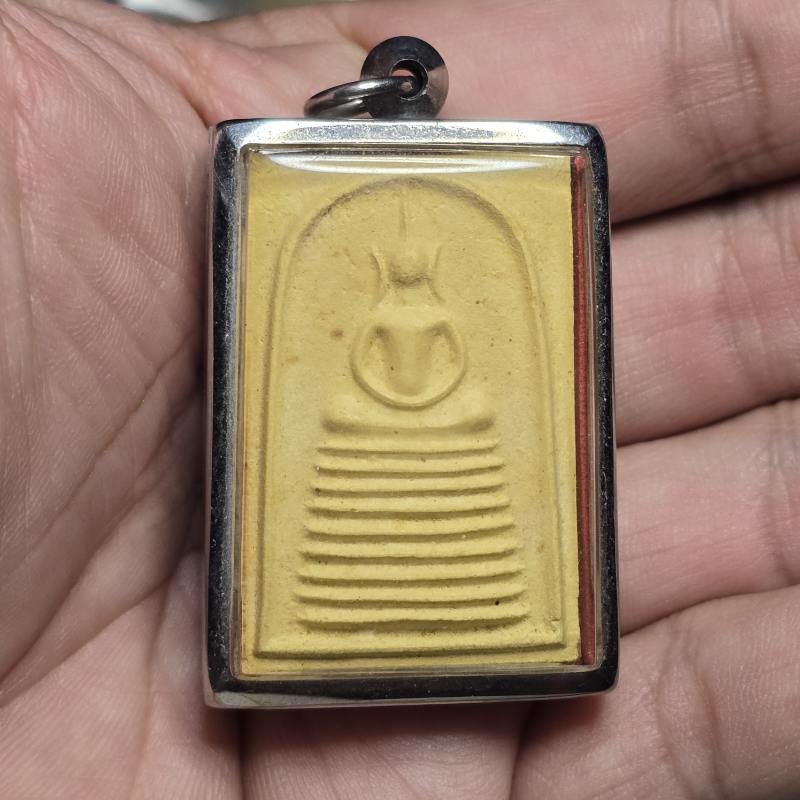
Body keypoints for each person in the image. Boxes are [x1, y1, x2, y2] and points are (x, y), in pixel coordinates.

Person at [0, 0, 798, 796]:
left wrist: (434, 397)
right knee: (349, 434)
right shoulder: (373, 294)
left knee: (468, 432)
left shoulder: (440, 301)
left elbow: (446, 360)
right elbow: (372, 362)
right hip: (367, 419)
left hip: (448, 415)